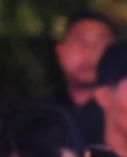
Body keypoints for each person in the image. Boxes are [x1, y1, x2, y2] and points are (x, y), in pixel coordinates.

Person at [46, 10, 115, 144]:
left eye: (101, 44)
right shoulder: (39, 114)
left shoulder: (124, 116)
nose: (90, 51)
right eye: (80, 42)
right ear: (60, 51)